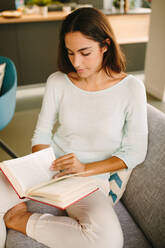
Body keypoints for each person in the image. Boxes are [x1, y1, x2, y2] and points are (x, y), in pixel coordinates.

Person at [2, 7, 148, 248]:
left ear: (105, 46)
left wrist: (84, 169)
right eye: (70, 53)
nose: (76, 62)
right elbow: (42, 134)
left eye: (84, 52)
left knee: (108, 240)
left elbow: (134, 152)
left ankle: (22, 220)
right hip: (48, 168)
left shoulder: (131, 88)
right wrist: (40, 164)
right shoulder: (57, 81)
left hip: (89, 179)